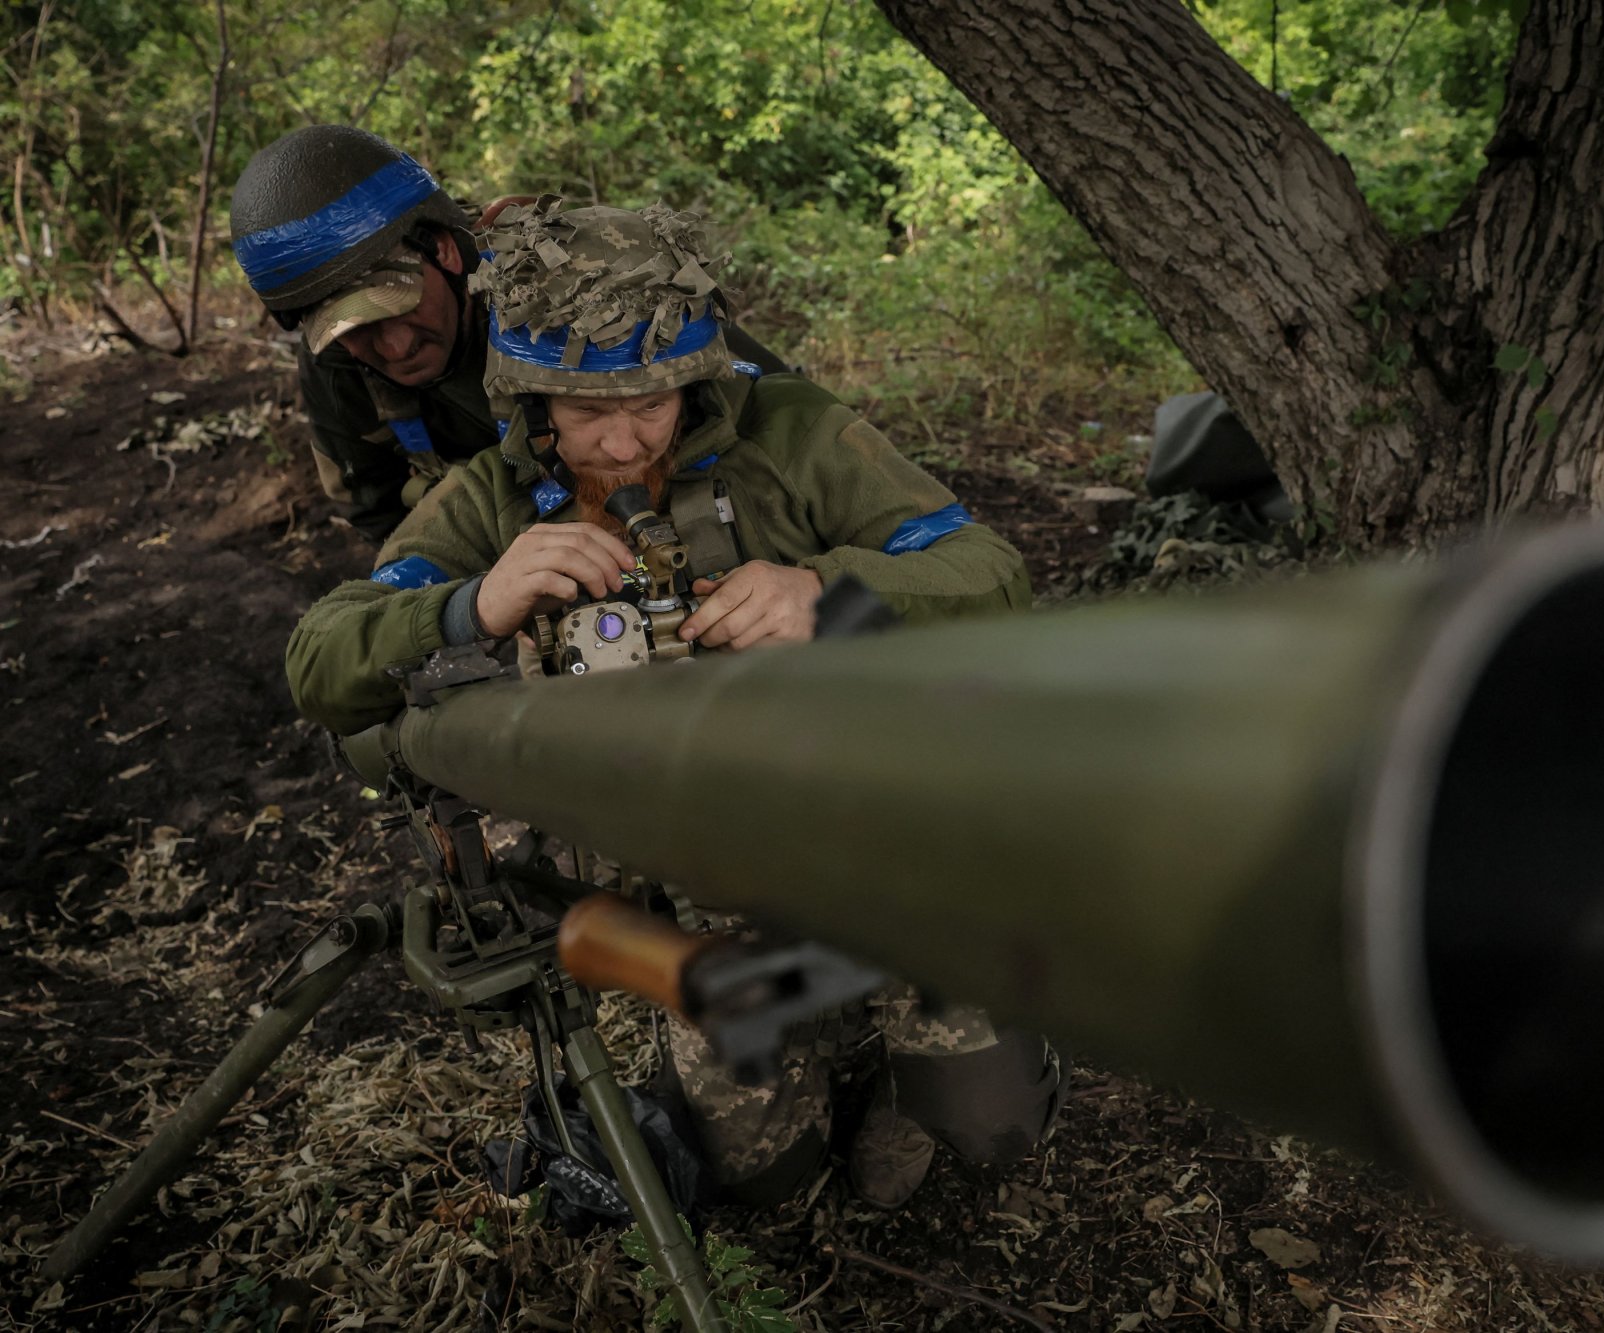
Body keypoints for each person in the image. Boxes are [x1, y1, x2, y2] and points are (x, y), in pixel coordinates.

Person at [286, 199, 1060, 1207]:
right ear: (527, 402)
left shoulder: (789, 433)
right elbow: (320, 659)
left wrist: (823, 589)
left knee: (983, 1131)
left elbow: (988, 570)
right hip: (711, 882)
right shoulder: (490, 500)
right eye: (582, 412)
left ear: (696, 379)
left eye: (650, 404)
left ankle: (929, 1028)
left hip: (887, 833)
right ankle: (812, 1010)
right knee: (761, 1178)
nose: (619, 441)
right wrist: (471, 601)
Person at [227, 125, 788, 540]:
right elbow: (377, 513)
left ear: (444, 250)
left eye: (400, 306)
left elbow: (771, 404)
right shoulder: (337, 361)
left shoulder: (560, 283)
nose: (393, 348)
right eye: (357, 331)